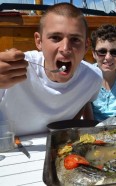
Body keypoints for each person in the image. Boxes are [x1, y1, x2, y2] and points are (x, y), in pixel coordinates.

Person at [0, 3, 103, 136]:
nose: (65, 48)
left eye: (75, 39)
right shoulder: (14, 68)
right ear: (39, 41)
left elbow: (82, 103)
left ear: (86, 45)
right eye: (55, 38)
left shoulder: (93, 78)